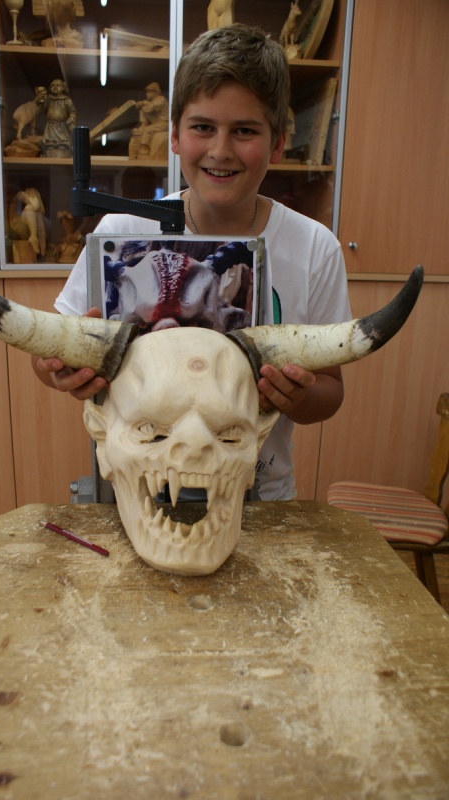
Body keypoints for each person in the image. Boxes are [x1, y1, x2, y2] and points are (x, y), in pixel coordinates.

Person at [31, 23, 351, 501]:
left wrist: (297, 396)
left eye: (244, 131)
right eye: (203, 127)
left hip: (260, 494)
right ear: (175, 135)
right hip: (136, 492)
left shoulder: (315, 248)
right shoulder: (120, 231)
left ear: (278, 143)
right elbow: (46, 352)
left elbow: (331, 390)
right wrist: (58, 364)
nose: (221, 151)